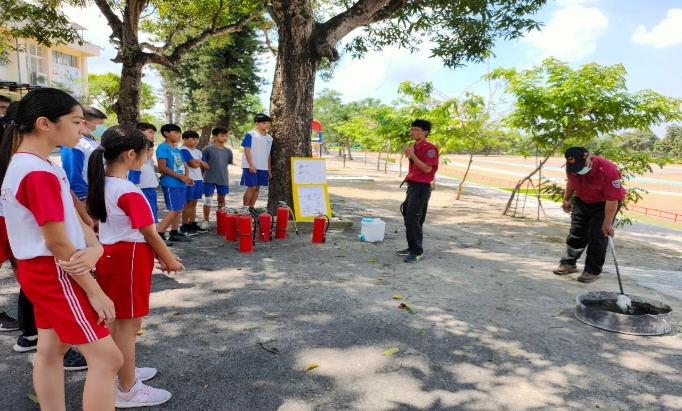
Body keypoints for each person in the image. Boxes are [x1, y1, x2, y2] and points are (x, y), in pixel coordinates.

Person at [0, 88, 123, 410]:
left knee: (51, 349)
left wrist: (95, 244)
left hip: (45, 268)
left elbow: (70, 215)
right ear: (44, 123)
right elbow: (56, 241)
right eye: (76, 121)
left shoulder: (36, 164)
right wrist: (94, 290)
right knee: (108, 359)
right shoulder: (37, 172)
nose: (83, 129)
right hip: (55, 269)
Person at [87, 125, 184, 408]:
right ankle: (127, 388)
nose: (146, 160)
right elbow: (150, 232)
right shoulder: (127, 190)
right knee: (128, 325)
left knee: (121, 321)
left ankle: (124, 371)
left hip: (116, 255)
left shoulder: (102, 183)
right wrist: (169, 259)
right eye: (144, 154)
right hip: (127, 258)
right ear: (130, 154)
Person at [553, 147, 626, 283]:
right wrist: (566, 198)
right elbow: (571, 182)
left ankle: (592, 271)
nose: (579, 170)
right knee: (576, 232)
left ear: (591, 158)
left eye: (582, 166)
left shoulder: (607, 169)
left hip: (604, 204)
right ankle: (569, 263)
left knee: (598, 235)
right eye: (575, 167)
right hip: (583, 200)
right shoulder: (572, 166)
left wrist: (608, 222)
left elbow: (612, 199)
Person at [396, 119, 439, 263]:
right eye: (412, 129)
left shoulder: (430, 148)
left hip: (421, 187)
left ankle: (417, 251)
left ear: (425, 132)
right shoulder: (414, 146)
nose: (412, 132)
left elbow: (427, 169)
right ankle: (412, 246)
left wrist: (412, 155)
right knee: (410, 216)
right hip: (413, 185)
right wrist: (411, 154)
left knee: (412, 218)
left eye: (416, 129)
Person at [60, 105, 107, 202]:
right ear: (84, 123)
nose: (102, 128)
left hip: (99, 196)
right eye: (99, 125)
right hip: (87, 198)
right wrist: (83, 200)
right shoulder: (76, 144)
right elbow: (73, 176)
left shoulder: (94, 142)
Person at [156, 124, 193, 243]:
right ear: (166, 133)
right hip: (171, 183)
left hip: (181, 183)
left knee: (178, 208)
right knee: (174, 209)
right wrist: (180, 177)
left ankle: (174, 232)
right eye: (176, 132)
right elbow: (162, 167)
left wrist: (186, 177)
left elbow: (184, 165)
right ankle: (159, 234)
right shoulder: (163, 147)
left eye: (179, 133)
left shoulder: (177, 149)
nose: (179, 135)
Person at [201, 127, 233, 228]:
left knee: (222, 199)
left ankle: (221, 220)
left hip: (223, 179)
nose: (225, 138)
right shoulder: (207, 149)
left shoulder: (228, 151)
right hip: (209, 178)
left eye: (226, 136)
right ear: (215, 137)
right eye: (222, 135)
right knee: (208, 199)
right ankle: (206, 220)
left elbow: (226, 165)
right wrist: (202, 177)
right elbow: (203, 164)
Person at [180, 130, 209, 235]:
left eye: (197, 139)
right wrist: (200, 162)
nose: (195, 141)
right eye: (192, 139)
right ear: (185, 140)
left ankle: (192, 223)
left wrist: (200, 161)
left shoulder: (198, 152)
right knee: (188, 203)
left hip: (198, 179)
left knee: (194, 203)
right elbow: (194, 165)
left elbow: (207, 166)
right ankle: (184, 225)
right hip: (189, 179)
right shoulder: (183, 150)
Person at [241, 114, 272, 208]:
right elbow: (247, 149)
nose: (267, 125)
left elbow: (268, 154)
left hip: (263, 167)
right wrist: (250, 164)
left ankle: (251, 208)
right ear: (257, 123)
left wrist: (269, 169)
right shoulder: (251, 134)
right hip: (251, 166)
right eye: (264, 123)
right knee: (252, 187)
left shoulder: (269, 138)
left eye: (268, 123)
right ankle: (245, 209)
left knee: (257, 188)